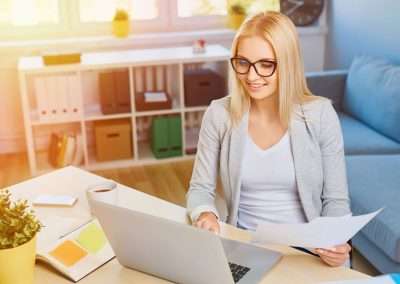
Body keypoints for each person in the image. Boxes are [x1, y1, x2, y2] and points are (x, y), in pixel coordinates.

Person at [186, 11, 352, 267]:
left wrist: (335, 241)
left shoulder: (320, 115)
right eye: (243, 62)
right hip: (247, 247)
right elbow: (200, 189)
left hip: (308, 253)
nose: (251, 76)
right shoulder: (219, 114)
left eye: (266, 64)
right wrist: (205, 214)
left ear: (288, 64)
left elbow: (335, 200)